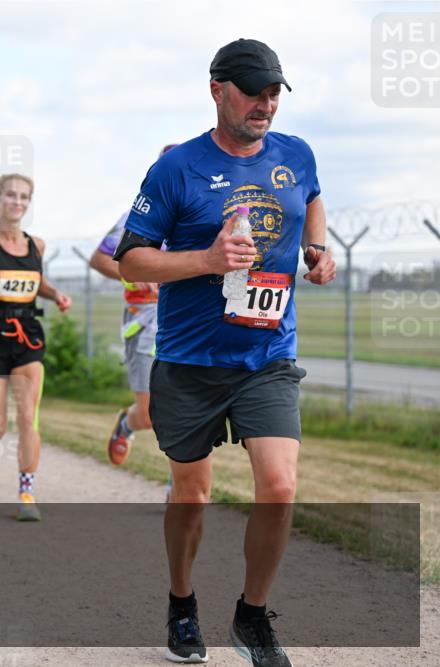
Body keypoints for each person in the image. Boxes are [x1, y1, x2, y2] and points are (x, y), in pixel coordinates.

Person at [114, 38, 336, 667]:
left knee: (280, 483)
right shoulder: (176, 168)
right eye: (254, 91)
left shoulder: (297, 154)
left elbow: (312, 196)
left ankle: (251, 616)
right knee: (192, 494)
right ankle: (181, 604)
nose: (266, 104)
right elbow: (132, 256)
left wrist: (316, 250)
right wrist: (206, 260)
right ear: (217, 90)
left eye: (274, 93)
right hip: (190, 361)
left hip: (267, 355)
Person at [0, 174, 71, 522]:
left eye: (23, 197)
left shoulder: (37, 244)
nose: (17, 202)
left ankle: (27, 492)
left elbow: (36, 280)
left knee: (28, 418)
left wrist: (55, 294)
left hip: (27, 335)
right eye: (11, 195)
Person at [91, 144, 177, 501]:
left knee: (183, 408)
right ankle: (128, 423)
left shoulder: (206, 216)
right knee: (149, 413)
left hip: (186, 325)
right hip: (144, 325)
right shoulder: (137, 216)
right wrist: (131, 274)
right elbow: (100, 258)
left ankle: (179, 487)